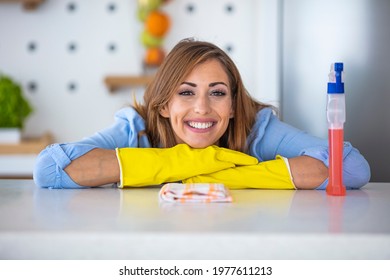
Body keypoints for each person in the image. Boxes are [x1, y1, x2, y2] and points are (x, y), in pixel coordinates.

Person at [33, 38, 370, 190]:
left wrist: (223, 176)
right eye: (186, 92)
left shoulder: (258, 129)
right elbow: (49, 169)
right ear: (164, 105)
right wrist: (189, 163)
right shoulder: (137, 129)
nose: (203, 108)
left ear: (234, 105)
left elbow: (352, 168)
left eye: (218, 93)